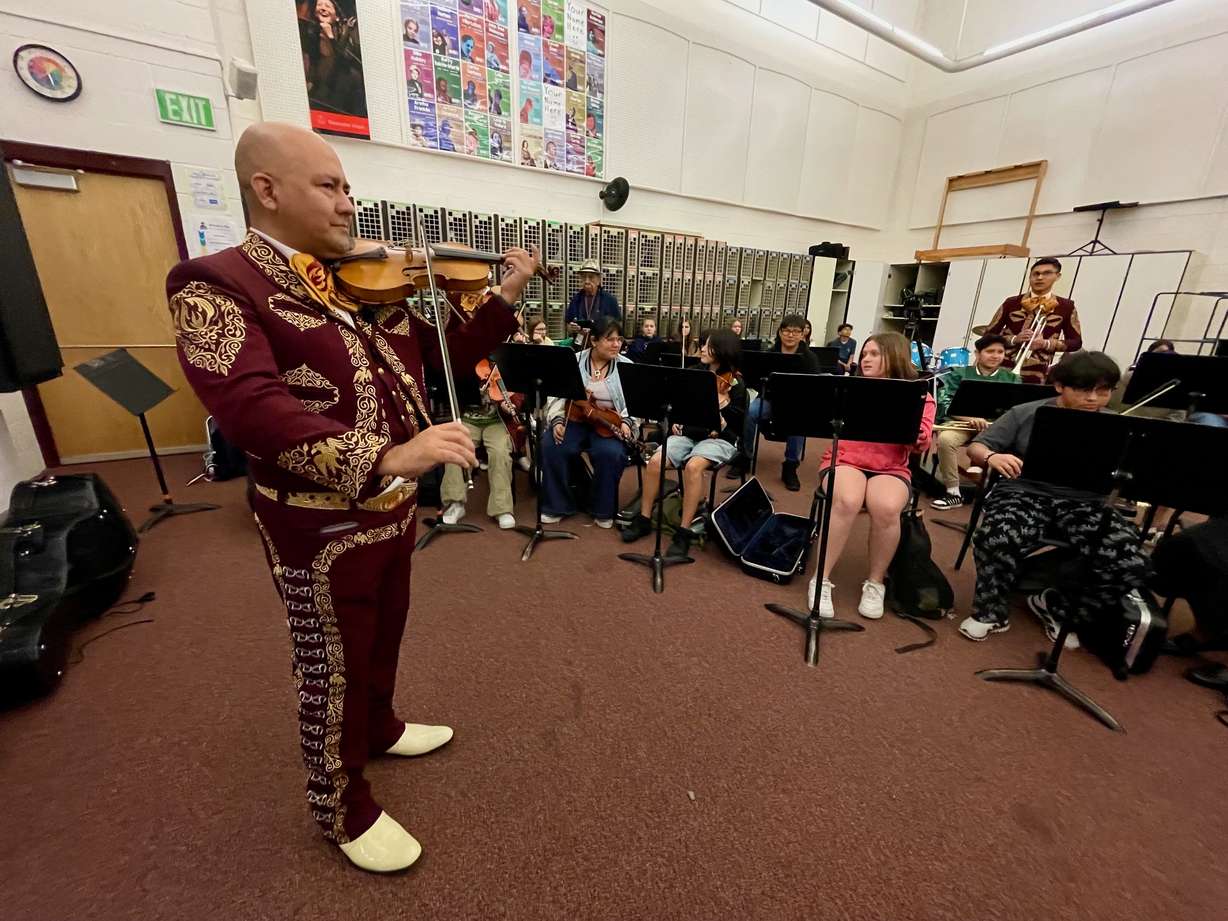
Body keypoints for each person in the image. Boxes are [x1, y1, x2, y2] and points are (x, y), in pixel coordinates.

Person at [165, 123, 532, 872]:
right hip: (315, 524)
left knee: (385, 628)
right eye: (328, 186)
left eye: (347, 187)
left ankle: (379, 726)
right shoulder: (214, 283)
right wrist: (390, 453)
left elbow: (441, 357)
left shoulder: (363, 278)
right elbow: (251, 409)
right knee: (328, 660)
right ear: (266, 189)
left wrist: (505, 295)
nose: (347, 202)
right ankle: (340, 805)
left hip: (393, 510)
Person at [957, 351, 1149, 644]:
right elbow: (977, 447)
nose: (1094, 399)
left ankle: (1058, 607)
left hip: (1086, 502)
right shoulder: (1025, 412)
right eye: (1084, 390)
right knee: (996, 536)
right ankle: (991, 612)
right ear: (1060, 386)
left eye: (1103, 391)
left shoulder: (1117, 425)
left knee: (1130, 562)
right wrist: (993, 456)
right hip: (1024, 493)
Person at [805, 333, 935, 620]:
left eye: (874, 353)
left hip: (890, 467)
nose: (866, 359)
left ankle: (876, 583)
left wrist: (918, 434)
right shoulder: (849, 389)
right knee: (847, 500)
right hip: (845, 459)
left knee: (887, 507)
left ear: (894, 356)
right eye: (865, 354)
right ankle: (821, 579)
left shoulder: (920, 395)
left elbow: (923, 442)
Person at [622, 329, 749, 557]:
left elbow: (732, 429)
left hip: (720, 440)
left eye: (707, 346)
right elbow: (678, 406)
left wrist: (722, 414)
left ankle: (684, 530)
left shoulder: (736, 386)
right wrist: (675, 423)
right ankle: (643, 518)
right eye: (702, 344)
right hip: (690, 433)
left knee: (693, 466)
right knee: (655, 462)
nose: (701, 348)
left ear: (722, 350)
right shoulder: (693, 374)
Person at [539, 316, 633, 527]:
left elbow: (635, 403)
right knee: (552, 444)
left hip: (609, 422)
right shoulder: (574, 361)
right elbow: (557, 396)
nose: (616, 344)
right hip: (575, 418)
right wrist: (557, 421)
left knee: (610, 453)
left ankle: (602, 509)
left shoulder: (627, 366)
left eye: (619, 339)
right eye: (610, 339)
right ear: (594, 341)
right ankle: (557, 505)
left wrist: (627, 422)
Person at [727, 314, 821, 491]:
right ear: (780, 332)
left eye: (795, 331)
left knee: (799, 421)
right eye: (786, 330)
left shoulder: (810, 359)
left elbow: (814, 385)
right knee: (752, 411)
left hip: (795, 404)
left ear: (803, 334)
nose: (790, 335)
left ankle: (790, 465)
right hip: (770, 399)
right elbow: (755, 379)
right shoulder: (769, 354)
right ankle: (745, 456)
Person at [930, 334, 1020, 510]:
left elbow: (1016, 411)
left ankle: (994, 494)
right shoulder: (959, 373)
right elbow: (944, 401)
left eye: (1000, 352)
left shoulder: (1012, 379)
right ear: (978, 354)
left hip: (996, 428)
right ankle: (953, 492)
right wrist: (969, 418)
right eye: (990, 351)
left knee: (1019, 444)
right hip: (962, 424)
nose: (995, 355)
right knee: (946, 440)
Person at [439, 363, 522, 531]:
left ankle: (502, 508)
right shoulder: (463, 361)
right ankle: (455, 502)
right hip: (469, 419)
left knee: (500, 451)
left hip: (497, 422)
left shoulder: (503, 361)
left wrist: (509, 406)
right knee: (456, 447)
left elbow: (517, 395)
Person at [983, 257, 1082, 384]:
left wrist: (1046, 343)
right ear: (1029, 277)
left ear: (1057, 276)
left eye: (1047, 273)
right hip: (1002, 367)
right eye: (1036, 274)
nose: (1040, 277)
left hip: (1037, 371)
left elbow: (1076, 342)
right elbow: (988, 336)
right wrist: (1014, 339)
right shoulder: (1011, 302)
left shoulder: (1066, 306)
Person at [298, 0, 366, 120]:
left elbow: (346, 61)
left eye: (328, 6)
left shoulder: (347, 31)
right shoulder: (309, 31)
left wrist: (330, 38)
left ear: (337, 16)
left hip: (342, 91)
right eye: (319, 5)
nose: (323, 8)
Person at [565, 259, 620, 337]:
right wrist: (573, 328)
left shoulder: (610, 300)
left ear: (599, 280)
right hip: (580, 343)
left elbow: (617, 328)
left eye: (591, 277)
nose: (587, 281)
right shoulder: (576, 299)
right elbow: (568, 326)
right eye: (584, 277)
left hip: (601, 344)